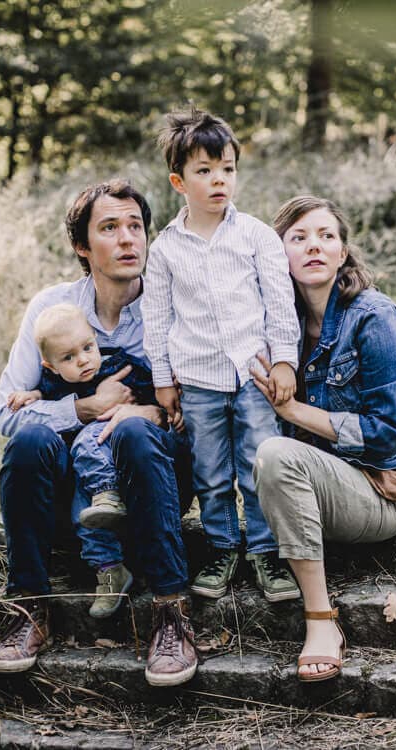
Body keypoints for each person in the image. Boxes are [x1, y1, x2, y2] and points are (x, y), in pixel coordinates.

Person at [0, 180, 199, 688]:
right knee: (31, 440)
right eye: (110, 228)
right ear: (82, 246)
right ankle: (28, 608)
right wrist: (84, 408)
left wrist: (144, 414)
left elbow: (205, 416)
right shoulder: (52, 310)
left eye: (135, 226)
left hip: (154, 481)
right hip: (75, 499)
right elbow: (6, 415)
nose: (129, 239)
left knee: (133, 434)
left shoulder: (175, 306)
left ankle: (171, 612)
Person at [251, 196, 396, 682]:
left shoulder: (373, 317)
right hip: (311, 492)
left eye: (327, 236)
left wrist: (294, 411)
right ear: (276, 253)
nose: (314, 246)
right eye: (299, 237)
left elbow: (386, 435)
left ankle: (322, 621)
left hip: (377, 491)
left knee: (276, 453)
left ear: (344, 252)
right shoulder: (274, 326)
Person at [142, 108, 302, 603]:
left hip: (255, 376)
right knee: (211, 472)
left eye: (227, 169)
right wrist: (163, 380)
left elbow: (279, 302)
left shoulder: (255, 235)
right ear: (179, 181)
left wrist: (284, 361)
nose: (219, 181)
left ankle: (264, 550)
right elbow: (158, 319)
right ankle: (221, 547)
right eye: (204, 171)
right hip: (198, 379)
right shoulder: (166, 249)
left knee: (258, 465)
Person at [7, 302, 157, 533]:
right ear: (51, 367)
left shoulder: (119, 366)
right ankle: (108, 565)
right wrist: (33, 394)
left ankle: (108, 495)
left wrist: (161, 409)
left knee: (89, 441)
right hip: (83, 468)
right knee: (86, 518)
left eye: (88, 347)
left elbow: (152, 394)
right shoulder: (57, 381)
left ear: (96, 339)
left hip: (122, 457)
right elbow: (49, 391)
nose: (83, 360)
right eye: (68, 357)